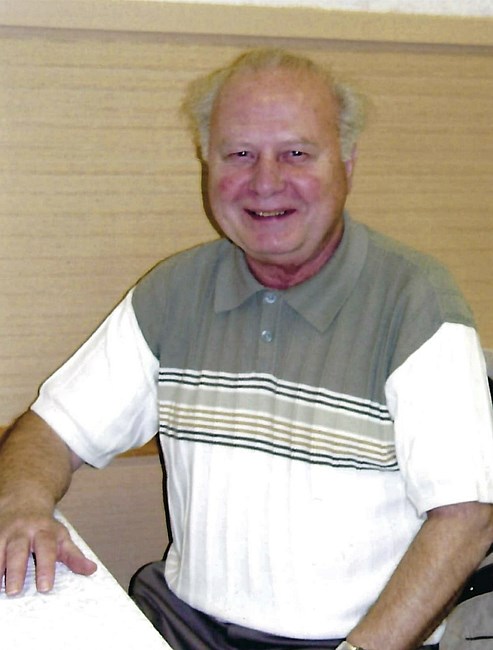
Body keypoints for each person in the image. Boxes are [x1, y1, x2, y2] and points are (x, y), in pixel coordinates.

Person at [0, 48, 492, 650]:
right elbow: (49, 431)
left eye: (296, 153)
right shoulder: (174, 292)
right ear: (207, 164)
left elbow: (466, 519)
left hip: (357, 640)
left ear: (347, 163)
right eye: (239, 154)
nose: (265, 181)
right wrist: (22, 503)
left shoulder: (415, 303)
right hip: (185, 623)